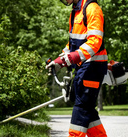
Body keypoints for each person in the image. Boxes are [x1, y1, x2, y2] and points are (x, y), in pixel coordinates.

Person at [46, 0, 107, 136]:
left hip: (93, 67)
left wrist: (74, 57)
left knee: (82, 107)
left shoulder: (92, 9)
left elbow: (95, 41)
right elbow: (73, 43)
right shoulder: (76, 11)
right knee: (87, 109)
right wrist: (59, 61)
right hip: (83, 67)